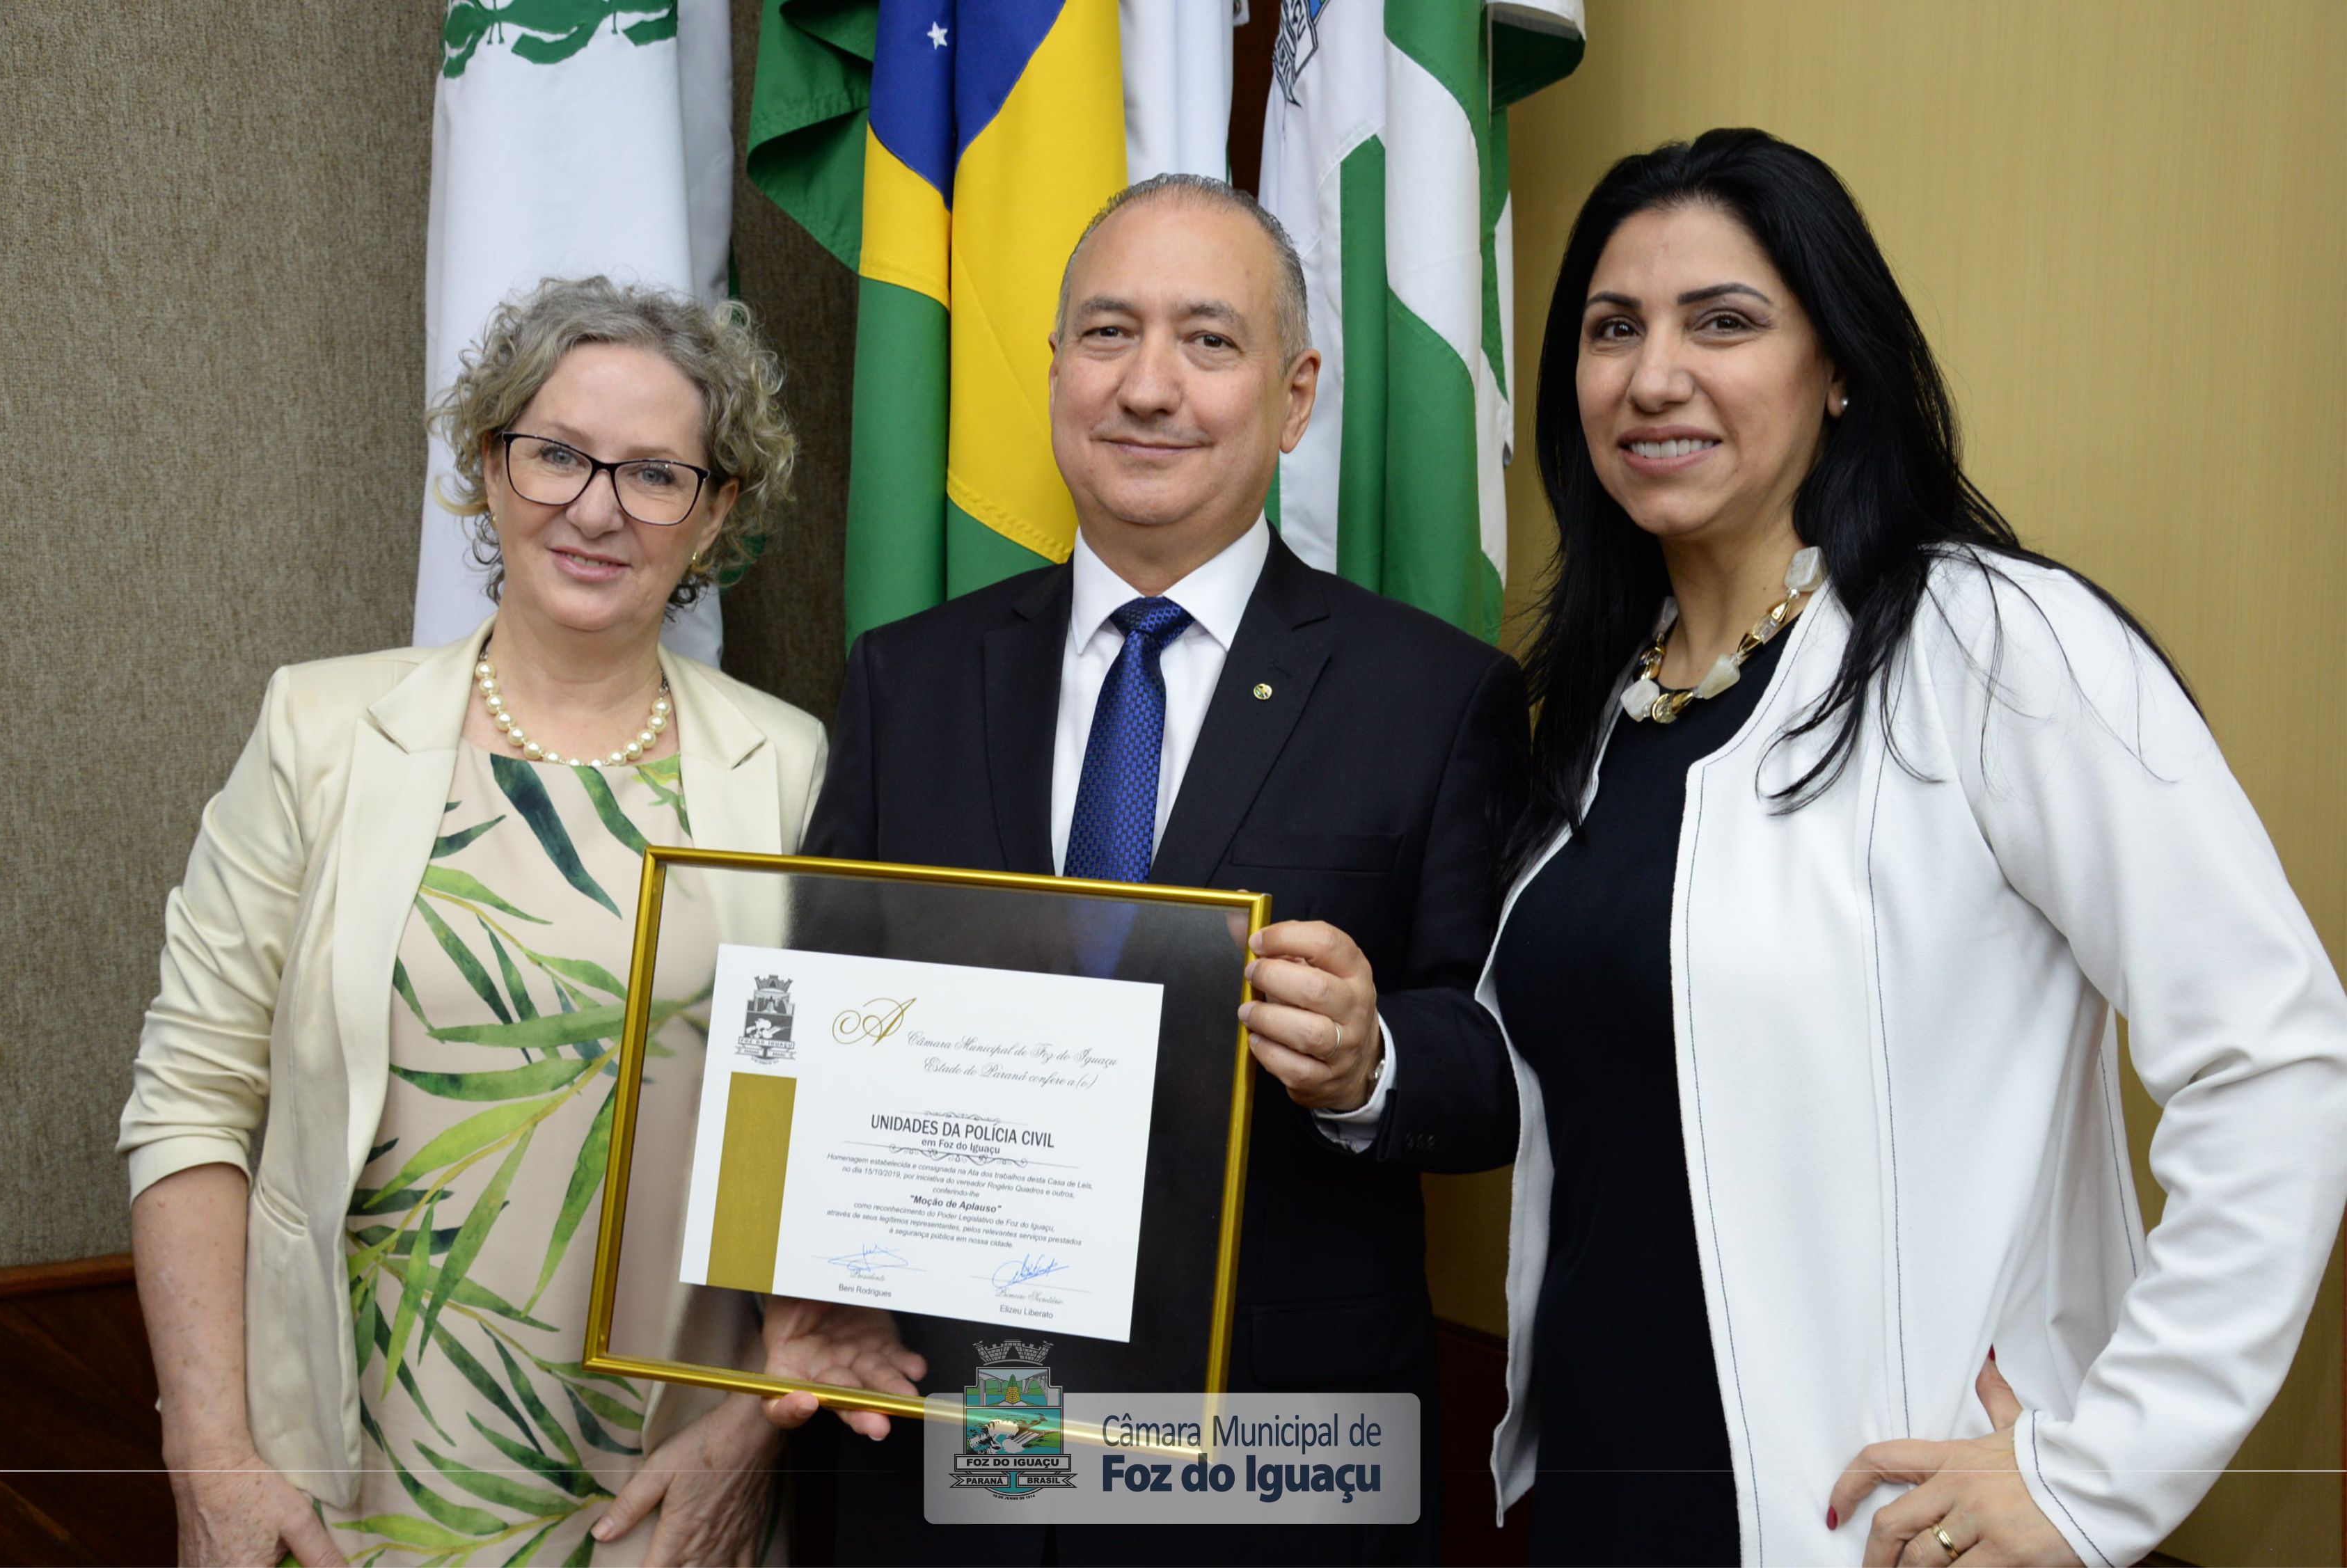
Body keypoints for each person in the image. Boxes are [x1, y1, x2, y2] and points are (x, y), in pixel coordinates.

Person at [1483, 127, 2347, 1567]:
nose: (1650, 375)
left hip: (1876, 1537)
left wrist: (2095, 1474)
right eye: (1609, 328)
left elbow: (2275, 1056)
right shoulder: (1590, 712)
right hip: (1598, 1503)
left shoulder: (1989, 645)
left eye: (1723, 321)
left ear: (1836, 368)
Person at [765, 173, 1528, 1564]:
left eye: (1208, 340)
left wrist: (1370, 1060)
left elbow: (1498, 1066)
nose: (1148, 386)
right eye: (1107, 334)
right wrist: (793, 1273)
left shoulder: (1430, 694)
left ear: (1293, 397)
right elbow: (809, 1022)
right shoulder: (906, 678)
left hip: (1269, 1467)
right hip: (952, 1438)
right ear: (1053, 369)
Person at [118, 276, 830, 1566]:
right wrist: (211, 1457)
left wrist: (749, 1430)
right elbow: (188, 1099)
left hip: (656, 1494)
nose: (596, 508)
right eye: (555, 453)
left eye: (656, 473)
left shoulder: (788, 768)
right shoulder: (319, 731)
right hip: (333, 1485)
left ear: (717, 508)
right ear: (488, 464)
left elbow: (824, 1154)